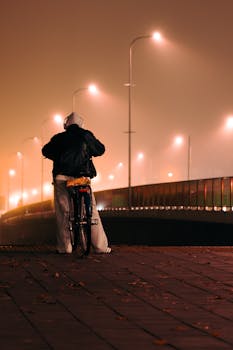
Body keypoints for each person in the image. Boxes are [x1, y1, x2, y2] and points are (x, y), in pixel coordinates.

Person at [42, 112, 111, 254]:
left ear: (66, 124)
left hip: (62, 177)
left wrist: (59, 156)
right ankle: (100, 247)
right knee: (91, 211)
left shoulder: (59, 137)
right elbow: (101, 149)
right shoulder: (86, 135)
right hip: (82, 177)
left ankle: (65, 247)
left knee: (64, 211)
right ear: (81, 124)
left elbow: (45, 151)